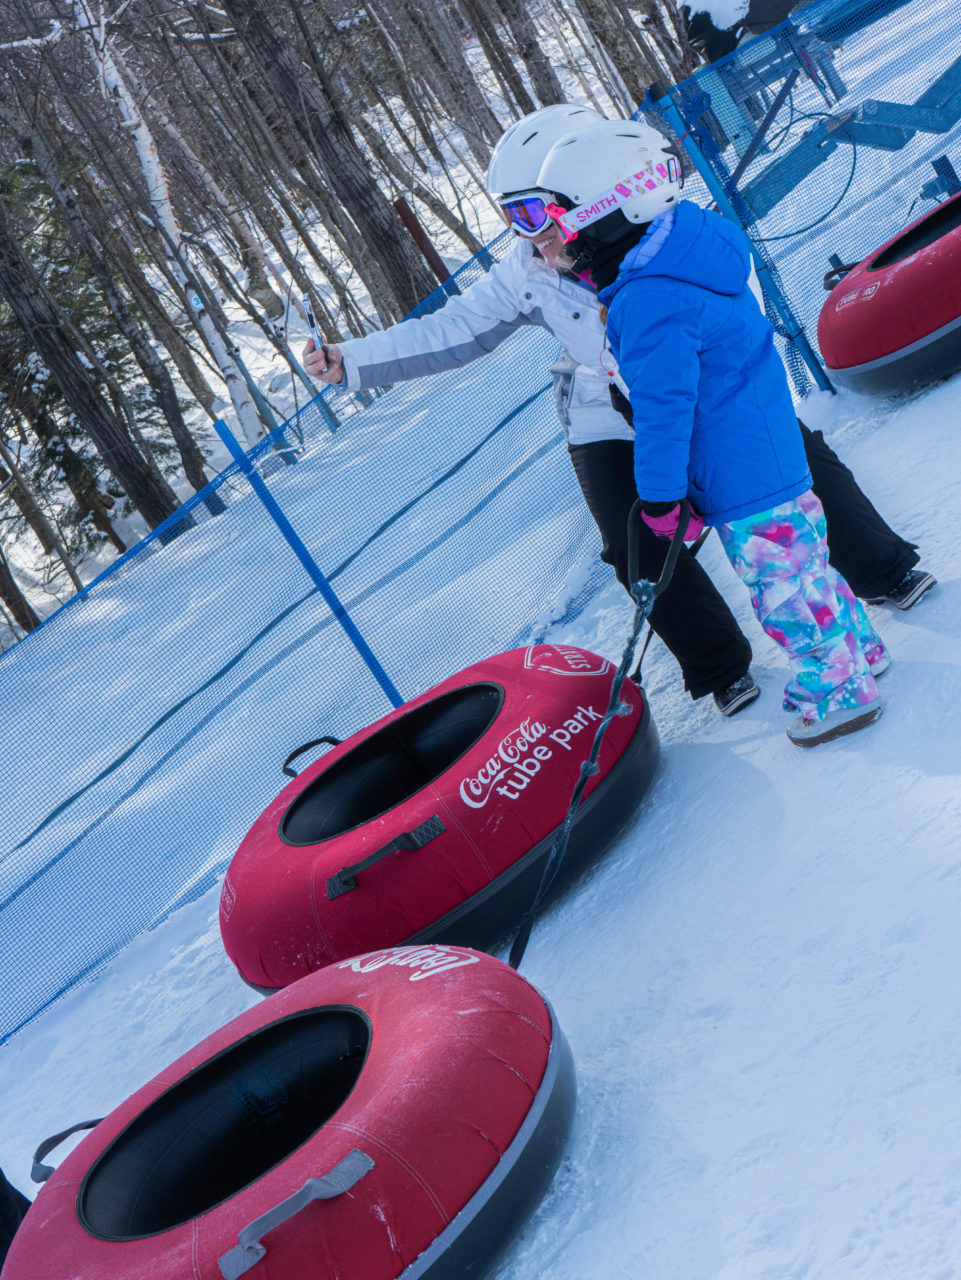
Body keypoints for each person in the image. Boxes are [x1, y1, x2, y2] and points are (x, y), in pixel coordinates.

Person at [302, 104, 934, 716]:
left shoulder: (661, 240)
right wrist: (351, 360)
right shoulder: (531, 263)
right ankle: (721, 666)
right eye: (514, 216)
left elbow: (710, 345)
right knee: (634, 540)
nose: (529, 234)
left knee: (780, 482)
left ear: (587, 194)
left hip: (701, 403)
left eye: (534, 211)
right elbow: (456, 327)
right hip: (607, 412)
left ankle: (882, 574)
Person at [533, 117, 891, 746]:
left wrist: (661, 499)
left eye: (562, 221)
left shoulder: (648, 299)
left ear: (607, 213)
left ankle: (840, 690)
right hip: (770, 450)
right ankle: (859, 651)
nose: (557, 238)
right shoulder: (693, 250)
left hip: (738, 474)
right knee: (807, 568)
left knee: (783, 592)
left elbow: (664, 410)